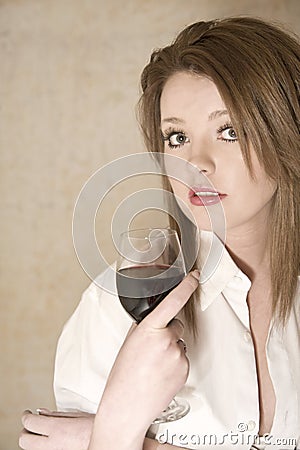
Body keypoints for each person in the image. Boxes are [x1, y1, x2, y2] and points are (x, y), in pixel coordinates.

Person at [19, 16, 300, 450]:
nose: (196, 163)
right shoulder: (119, 299)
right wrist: (121, 412)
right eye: (177, 136)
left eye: (229, 131)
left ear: (287, 134)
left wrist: (124, 435)